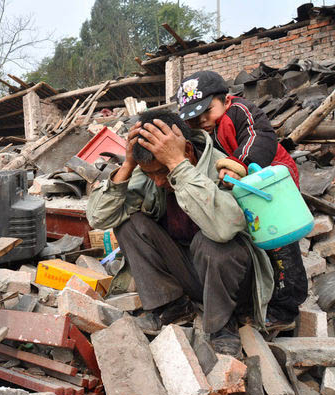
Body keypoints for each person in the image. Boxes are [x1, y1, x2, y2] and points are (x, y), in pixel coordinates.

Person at [87, 110, 274, 357]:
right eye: (150, 173)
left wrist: (178, 167)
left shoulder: (222, 169)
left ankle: (222, 323)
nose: (158, 182)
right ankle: (173, 306)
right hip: (190, 272)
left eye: (162, 172)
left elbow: (224, 229)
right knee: (129, 223)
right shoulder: (149, 175)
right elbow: (99, 218)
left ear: (186, 151)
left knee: (211, 243)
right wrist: (129, 166)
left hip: (232, 280)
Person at [176, 70, 307, 329]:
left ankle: (287, 307)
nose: (202, 120)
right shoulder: (204, 132)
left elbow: (259, 136)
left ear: (225, 100)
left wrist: (238, 163)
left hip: (271, 185)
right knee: (260, 240)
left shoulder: (240, 112)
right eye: (194, 117)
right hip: (247, 191)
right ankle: (265, 296)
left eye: (207, 111)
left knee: (281, 243)